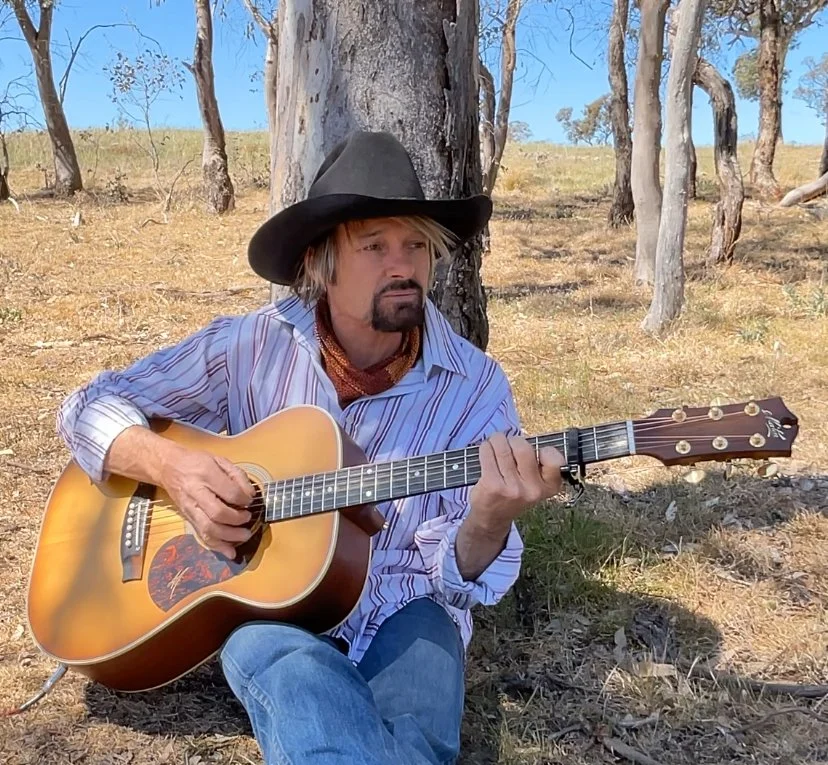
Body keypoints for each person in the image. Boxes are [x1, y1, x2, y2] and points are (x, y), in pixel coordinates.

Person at [56, 130, 564, 764]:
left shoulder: (476, 386)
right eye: (375, 246)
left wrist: (488, 519)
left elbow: (460, 575)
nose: (402, 265)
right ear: (321, 262)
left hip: (411, 607)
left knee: (416, 740)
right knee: (290, 677)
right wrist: (174, 468)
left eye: (415, 245)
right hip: (272, 609)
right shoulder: (249, 347)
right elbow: (87, 406)